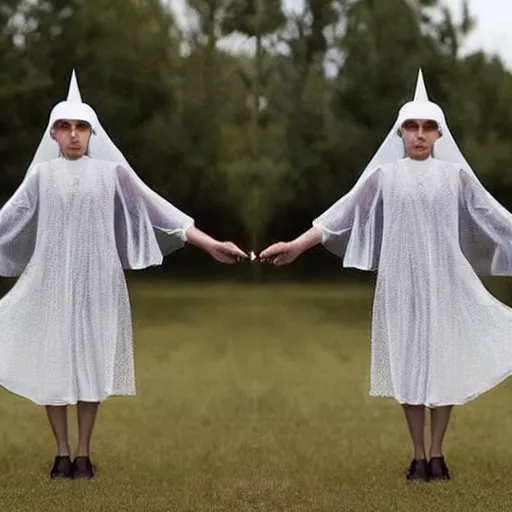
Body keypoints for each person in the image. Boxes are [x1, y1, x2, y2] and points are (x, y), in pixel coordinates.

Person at [259, 70, 512, 482]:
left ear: (439, 134)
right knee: (409, 364)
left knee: (441, 364)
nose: (419, 135)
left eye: (428, 127)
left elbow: (494, 217)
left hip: (445, 283)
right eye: (412, 126)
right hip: (400, 285)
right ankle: (416, 455)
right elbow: (341, 216)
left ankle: (437, 453)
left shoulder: (456, 177)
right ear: (399, 132)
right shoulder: (384, 177)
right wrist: (297, 245)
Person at [0, 71, 247, 479]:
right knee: (55, 363)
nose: (74, 135)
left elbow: (158, 210)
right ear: (53, 134)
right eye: (65, 127)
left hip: (98, 283)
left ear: (92, 133)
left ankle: (84, 453)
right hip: (51, 281)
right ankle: (61, 453)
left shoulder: (112, 174)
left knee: (91, 363)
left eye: (81, 127)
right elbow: (9, 219)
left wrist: (208, 243)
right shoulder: (41, 176)